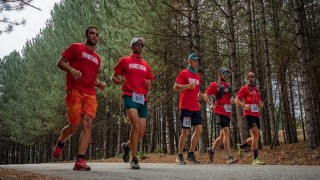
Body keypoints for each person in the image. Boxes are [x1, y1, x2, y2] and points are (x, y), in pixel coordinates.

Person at [52, 26, 106, 171]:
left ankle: (80, 160)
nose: (94, 36)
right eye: (91, 33)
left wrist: (99, 84)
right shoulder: (76, 47)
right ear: (86, 35)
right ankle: (61, 142)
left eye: (96, 34)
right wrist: (71, 70)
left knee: (87, 124)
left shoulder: (97, 58)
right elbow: (60, 63)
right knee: (74, 125)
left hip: (90, 94)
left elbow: (92, 78)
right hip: (74, 91)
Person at [110, 37, 153, 169]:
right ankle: (134, 159)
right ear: (132, 46)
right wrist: (119, 81)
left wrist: (149, 83)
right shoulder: (124, 61)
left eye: (141, 45)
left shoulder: (146, 65)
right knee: (135, 126)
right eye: (137, 44)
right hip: (129, 95)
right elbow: (113, 77)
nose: (139, 46)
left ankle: (127, 146)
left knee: (140, 134)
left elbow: (150, 83)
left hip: (142, 99)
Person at [203, 67, 238, 164]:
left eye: (227, 74)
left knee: (222, 136)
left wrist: (233, 101)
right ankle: (229, 157)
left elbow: (232, 99)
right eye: (224, 73)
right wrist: (210, 104)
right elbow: (206, 95)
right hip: (219, 110)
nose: (226, 75)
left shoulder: (229, 86)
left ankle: (211, 149)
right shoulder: (214, 85)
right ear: (219, 74)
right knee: (227, 131)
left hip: (227, 112)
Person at [174, 53, 203, 165]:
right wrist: (187, 86)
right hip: (185, 107)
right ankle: (180, 155)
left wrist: (199, 95)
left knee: (199, 129)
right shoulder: (184, 73)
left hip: (195, 107)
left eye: (197, 61)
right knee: (185, 131)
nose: (197, 63)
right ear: (190, 61)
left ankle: (191, 154)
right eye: (195, 60)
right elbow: (175, 87)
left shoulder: (198, 76)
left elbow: (196, 91)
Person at [235, 71, 265, 165]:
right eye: (251, 76)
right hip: (249, 114)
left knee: (255, 136)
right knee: (256, 134)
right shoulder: (244, 88)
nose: (253, 78)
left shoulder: (257, 90)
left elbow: (259, 102)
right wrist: (244, 105)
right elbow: (236, 100)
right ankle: (255, 159)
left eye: (254, 76)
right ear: (247, 78)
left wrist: (261, 104)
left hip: (256, 114)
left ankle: (241, 145)